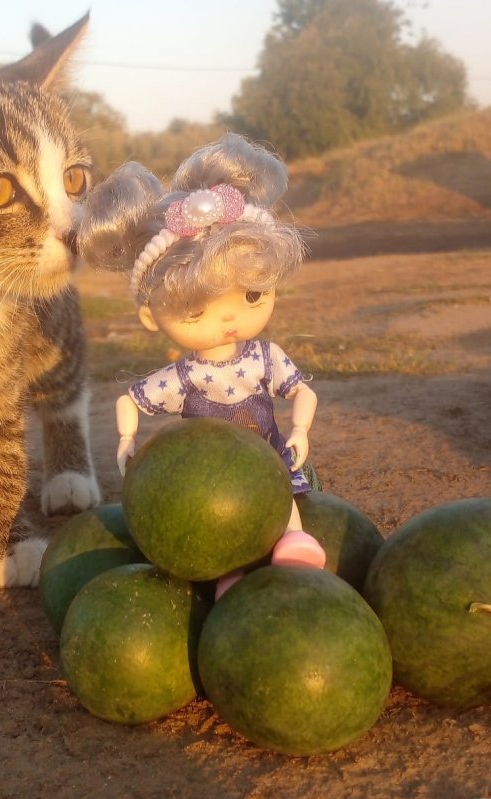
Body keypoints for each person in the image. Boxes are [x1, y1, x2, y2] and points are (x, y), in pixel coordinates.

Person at [78, 134, 325, 594]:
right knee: (214, 526)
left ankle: (293, 538)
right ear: (151, 317)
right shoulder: (185, 376)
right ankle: (225, 575)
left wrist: (299, 430)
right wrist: (127, 439)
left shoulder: (265, 358)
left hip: (267, 460)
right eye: (197, 311)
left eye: (253, 294)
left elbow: (302, 391)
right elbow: (131, 399)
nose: (230, 317)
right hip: (205, 479)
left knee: (280, 499)